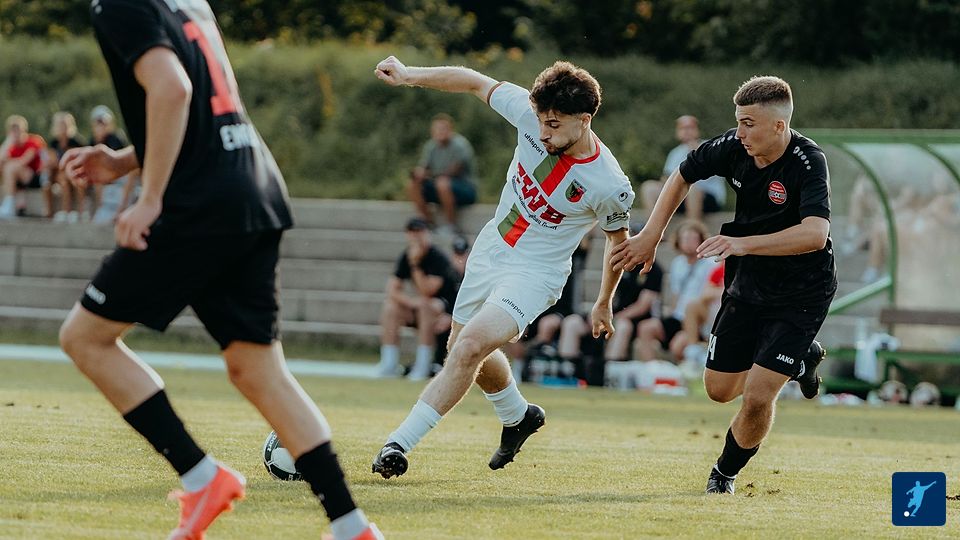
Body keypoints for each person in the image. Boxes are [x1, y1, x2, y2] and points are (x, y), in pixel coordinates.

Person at [57, 2, 381, 539]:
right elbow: (206, 106)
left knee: (85, 338)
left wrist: (149, 197)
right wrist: (124, 160)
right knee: (257, 370)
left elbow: (173, 90)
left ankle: (202, 478)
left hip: (199, 204)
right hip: (252, 184)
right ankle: (353, 527)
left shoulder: (118, 4)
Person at [370, 57, 635, 479]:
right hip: (491, 249)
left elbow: (618, 243)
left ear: (584, 120)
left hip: (536, 273)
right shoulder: (529, 114)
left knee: (470, 345)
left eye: (554, 125)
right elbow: (474, 81)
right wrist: (408, 76)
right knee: (461, 347)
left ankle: (397, 443)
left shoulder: (610, 184)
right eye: (541, 122)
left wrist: (604, 301)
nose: (543, 132)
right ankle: (518, 415)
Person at [611, 75, 836, 495]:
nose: (740, 132)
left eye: (749, 123)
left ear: (779, 126)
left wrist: (743, 243)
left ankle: (723, 474)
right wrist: (652, 236)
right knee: (718, 391)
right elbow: (682, 174)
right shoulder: (733, 146)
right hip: (748, 284)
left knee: (758, 395)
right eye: (738, 121)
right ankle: (801, 358)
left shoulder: (808, 161)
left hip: (802, 292)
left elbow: (815, 234)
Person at [377, 217, 460, 380]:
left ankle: (422, 365)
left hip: (443, 307)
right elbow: (392, 289)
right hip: (422, 305)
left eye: (419, 232)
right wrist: (410, 302)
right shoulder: (406, 255)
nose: (416, 236)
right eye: (412, 232)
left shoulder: (436, 257)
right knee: (391, 307)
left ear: (427, 233)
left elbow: (428, 290)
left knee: (425, 306)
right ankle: (388, 363)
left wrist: (415, 264)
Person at [634, 220, 717, 363]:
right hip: (678, 315)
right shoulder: (678, 263)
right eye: (685, 239)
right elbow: (676, 295)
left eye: (693, 239)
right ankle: (651, 368)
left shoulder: (710, 263)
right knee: (645, 328)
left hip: (696, 319)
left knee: (677, 346)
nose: (688, 243)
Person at [640, 115, 726, 220]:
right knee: (648, 187)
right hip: (680, 197)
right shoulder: (675, 152)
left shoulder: (709, 146)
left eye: (690, 128)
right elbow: (666, 178)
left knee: (691, 188)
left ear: (697, 130)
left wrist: (695, 151)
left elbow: (717, 172)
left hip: (707, 197)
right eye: (683, 128)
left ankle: (692, 226)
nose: (686, 131)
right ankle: (654, 227)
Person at [408, 113, 477, 232]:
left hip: (464, 188)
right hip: (440, 186)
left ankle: (451, 225)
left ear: (451, 130)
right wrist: (419, 173)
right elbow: (424, 167)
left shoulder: (460, 145)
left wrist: (429, 174)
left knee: (442, 183)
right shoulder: (430, 146)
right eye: (437, 129)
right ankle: (428, 222)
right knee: (412, 184)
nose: (440, 132)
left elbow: (454, 170)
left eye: (443, 129)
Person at [89, 105, 138, 224]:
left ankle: (122, 209)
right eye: (98, 123)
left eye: (103, 123)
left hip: (121, 175)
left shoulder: (116, 138)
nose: (101, 126)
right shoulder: (93, 141)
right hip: (106, 178)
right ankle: (101, 207)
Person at [0, 115, 46, 219]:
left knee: (9, 167)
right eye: (13, 131)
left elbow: (23, 161)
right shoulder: (12, 146)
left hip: (36, 177)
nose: (16, 133)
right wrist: (7, 143)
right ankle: (10, 204)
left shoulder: (33, 141)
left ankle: (9, 205)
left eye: (18, 130)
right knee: (6, 167)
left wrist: (8, 162)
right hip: (19, 180)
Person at [46, 112, 87, 222]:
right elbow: (53, 161)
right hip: (60, 173)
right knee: (62, 179)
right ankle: (65, 211)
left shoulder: (77, 141)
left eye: (64, 125)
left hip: (75, 170)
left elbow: (79, 161)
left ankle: (81, 212)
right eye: (60, 125)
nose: (62, 128)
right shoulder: (54, 143)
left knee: (75, 180)